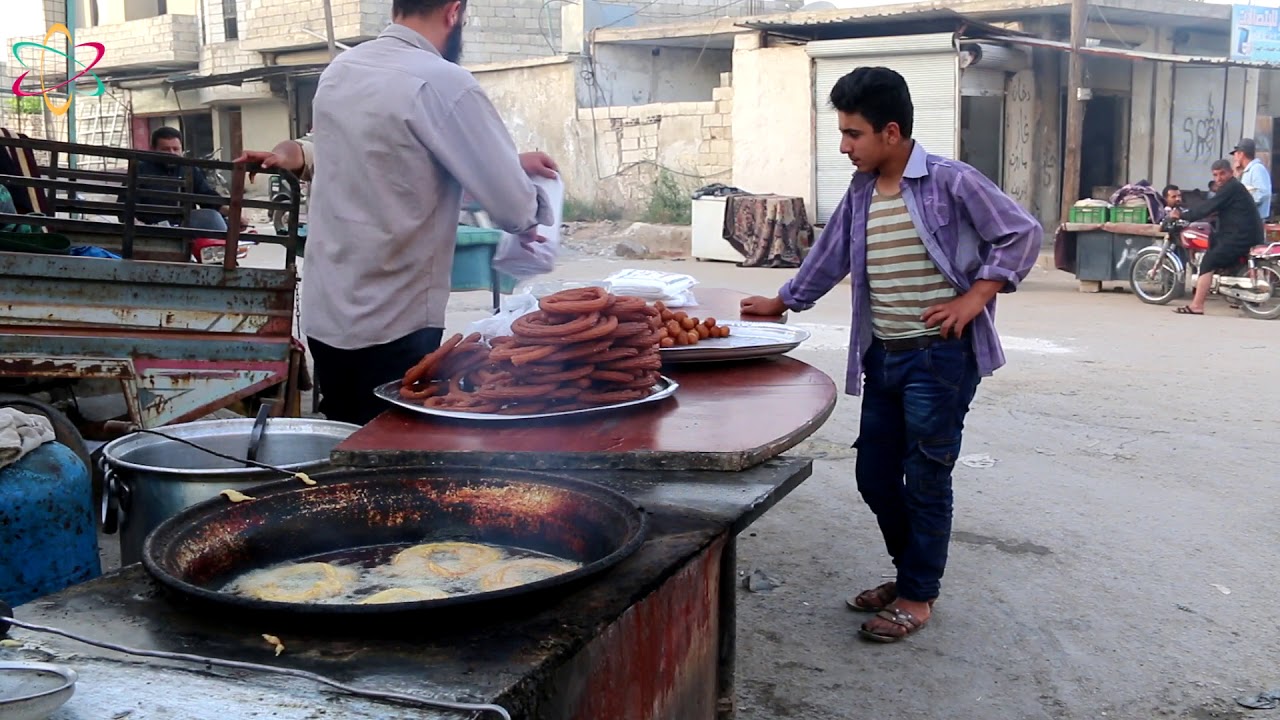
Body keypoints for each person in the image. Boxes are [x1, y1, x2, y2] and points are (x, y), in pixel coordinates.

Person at [740, 67, 1041, 643]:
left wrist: (976, 297)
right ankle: (912, 575)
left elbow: (1021, 232)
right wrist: (782, 301)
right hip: (883, 357)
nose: (844, 145)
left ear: (892, 132)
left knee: (926, 477)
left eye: (854, 134)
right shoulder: (860, 191)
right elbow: (830, 256)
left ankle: (917, 594)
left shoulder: (951, 181)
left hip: (941, 360)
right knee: (876, 477)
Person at [235, 0, 558, 426]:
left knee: (345, 444)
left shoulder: (341, 72)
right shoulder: (444, 82)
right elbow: (515, 209)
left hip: (328, 314)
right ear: (453, 11)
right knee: (397, 458)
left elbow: (394, 165)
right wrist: (535, 199)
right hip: (395, 320)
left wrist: (509, 162)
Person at [1170, 159, 1265, 315]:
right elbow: (1215, 207)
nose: (1219, 178)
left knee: (1209, 261)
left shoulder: (1231, 187)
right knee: (1217, 246)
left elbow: (1210, 206)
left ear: (1231, 173)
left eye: (1222, 174)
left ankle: (1197, 305)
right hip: (1246, 233)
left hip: (1240, 236)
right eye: (1215, 175)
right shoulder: (1234, 188)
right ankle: (1240, 297)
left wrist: (1183, 215)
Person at [130, 126, 246, 231]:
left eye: (176, 149)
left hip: (184, 227)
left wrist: (234, 215)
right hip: (152, 230)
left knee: (213, 218)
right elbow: (127, 204)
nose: (172, 153)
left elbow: (207, 197)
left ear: (182, 149)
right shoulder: (140, 169)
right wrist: (139, 226)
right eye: (165, 149)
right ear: (153, 149)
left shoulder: (189, 169)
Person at [1231, 138, 1271, 219]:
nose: (1234, 158)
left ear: (1241, 154)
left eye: (1235, 154)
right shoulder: (1246, 172)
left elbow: (1262, 193)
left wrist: (1245, 204)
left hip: (1255, 220)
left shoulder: (1257, 169)